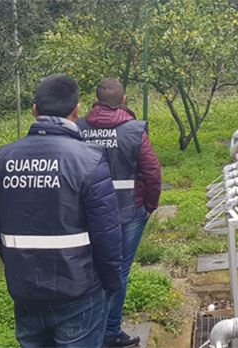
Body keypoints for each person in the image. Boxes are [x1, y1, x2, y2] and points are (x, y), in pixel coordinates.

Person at [0, 74, 123, 347]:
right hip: (79, 292)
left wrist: (23, 266)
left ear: (35, 111)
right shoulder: (89, 160)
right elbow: (107, 236)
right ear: (77, 110)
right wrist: (110, 284)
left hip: (26, 292)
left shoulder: (4, 158)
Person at [76, 78, 162, 348]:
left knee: (90, 270)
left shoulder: (77, 130)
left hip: (87, 213)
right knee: (119, 270)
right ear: (124, 100)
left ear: (95, 101)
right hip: (127, 211)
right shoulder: (134, 131)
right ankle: (111, 332)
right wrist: (150, 206)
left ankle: (88, 329)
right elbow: (152, 171)